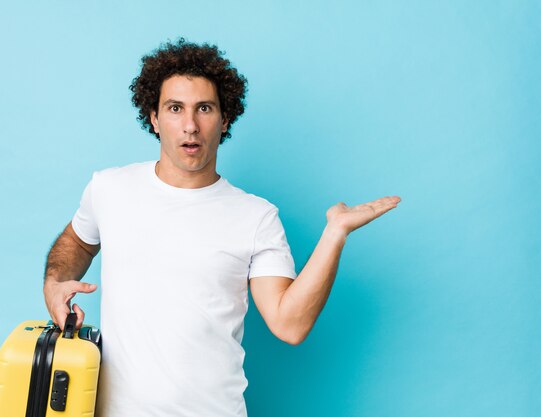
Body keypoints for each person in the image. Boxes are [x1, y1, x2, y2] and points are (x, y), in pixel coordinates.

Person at [43, 38, 400, 417]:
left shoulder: (256, 217)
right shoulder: (109, 188)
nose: (190, 125)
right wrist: (54, 285)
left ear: (225, 119)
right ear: (153, 117)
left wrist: (335, 234)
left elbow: (290, 324)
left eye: (205, 109)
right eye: (175, 108)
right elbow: (78, 242)